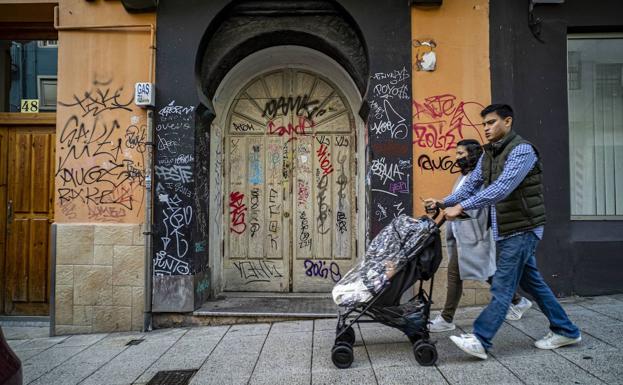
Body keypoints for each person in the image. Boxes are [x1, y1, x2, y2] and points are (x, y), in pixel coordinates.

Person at [425, 104, 581, 360]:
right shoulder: (489, 155)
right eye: (484, 124)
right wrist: (444, 202)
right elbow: (471, 185)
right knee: (535, 284)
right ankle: (566, 329)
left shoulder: (522, 151)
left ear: (507, 122)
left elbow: (501, 188)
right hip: (507, 229)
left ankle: (481, 339)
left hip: (523, 227)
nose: (486, 128)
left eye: (492, 122)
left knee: (502, 286)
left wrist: (461, 206)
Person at [428, 139, 531, 333]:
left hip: (474, 232)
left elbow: (479, 203)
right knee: (486, 271)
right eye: (457, 154)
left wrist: (455, 210)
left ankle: (446, 318)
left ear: (472, 154)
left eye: (461, 153)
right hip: (462, 232)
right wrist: (441, 204)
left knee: (459, 273)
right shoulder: (463, 178)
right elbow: (457, 199)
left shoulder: (483, 177)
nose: (457, 157)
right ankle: (518, 300)